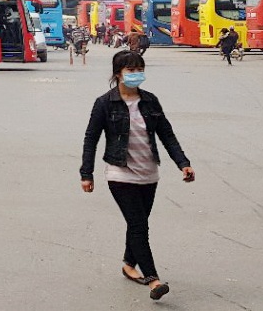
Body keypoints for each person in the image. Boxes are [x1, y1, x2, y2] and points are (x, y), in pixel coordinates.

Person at [80, 50, 194, 302]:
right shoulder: (104, 103)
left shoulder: (150, 101)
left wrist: (182, 163)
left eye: (139, 69)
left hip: (149, 174)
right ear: (118, 74)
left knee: (137, 223)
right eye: (130, 70)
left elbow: (167, 134)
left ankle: (128, 264)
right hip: (120, 173)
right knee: (140, 225)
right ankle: (153, 279)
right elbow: (91, 138)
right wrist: (86, 173)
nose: (136, 74)